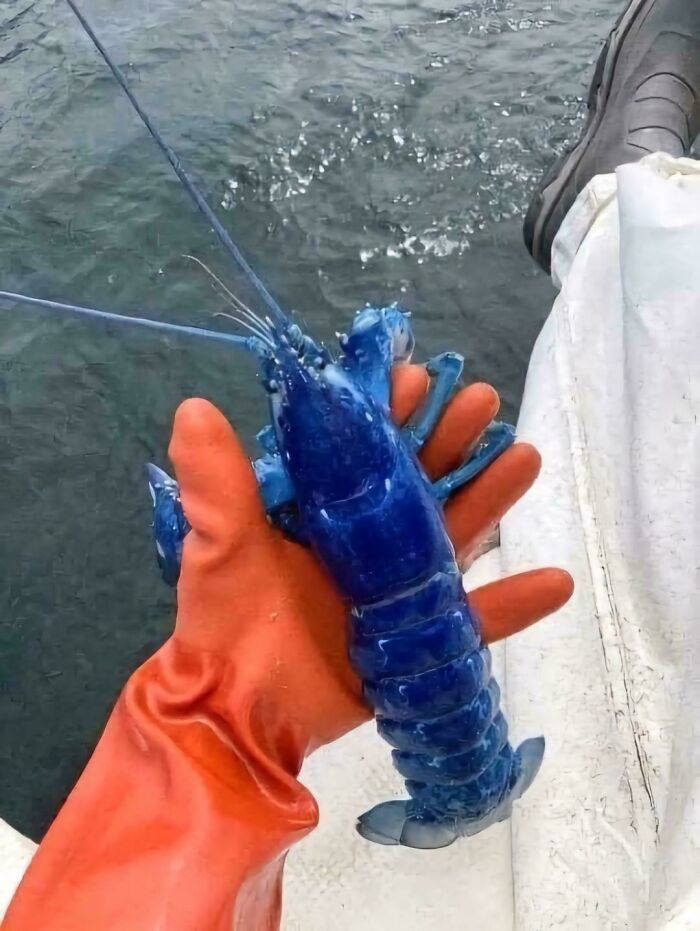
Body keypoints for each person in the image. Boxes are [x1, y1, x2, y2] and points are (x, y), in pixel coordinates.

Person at [3, 0, 700, 927]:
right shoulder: (380, 433)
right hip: (429, 659)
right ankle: (608, 205)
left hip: (405, 667)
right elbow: (428, 369)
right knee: (446, 396)